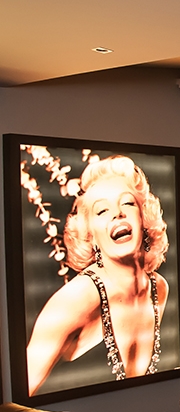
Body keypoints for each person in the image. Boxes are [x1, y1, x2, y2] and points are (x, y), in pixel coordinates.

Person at [26, 155, 170, 395]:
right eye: (102, 210)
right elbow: (18, 393)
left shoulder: (159, 288)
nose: (117, 214)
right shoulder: (76, 299)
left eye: (128, 203)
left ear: (143, 218)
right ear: (90, 235)